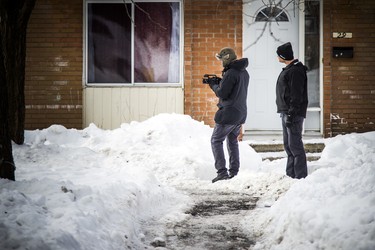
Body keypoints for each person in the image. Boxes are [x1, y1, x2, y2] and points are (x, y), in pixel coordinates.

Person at [208, 47, 249, 183]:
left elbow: (222, 93)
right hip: (240, 113)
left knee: (216, 140)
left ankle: (222, 172)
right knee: (232, 141)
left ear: (226, 59)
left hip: (228, 114)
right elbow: (233, 89)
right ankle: (234, 172)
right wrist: (221, 81)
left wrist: (213, 84)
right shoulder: (243, 72)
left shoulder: (231, 73)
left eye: (221, 59)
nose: (220, 62)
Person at [275, 42, 308, 179]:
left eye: (278, 55)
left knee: (295, 146)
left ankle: (300, 176)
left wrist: (291, 113)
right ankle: (291, 175)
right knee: (288, 146)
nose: (277, 57)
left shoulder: (295, 71)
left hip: (292, 113)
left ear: (283, 56)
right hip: (286, 112)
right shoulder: (289, 69)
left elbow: (296, 95)